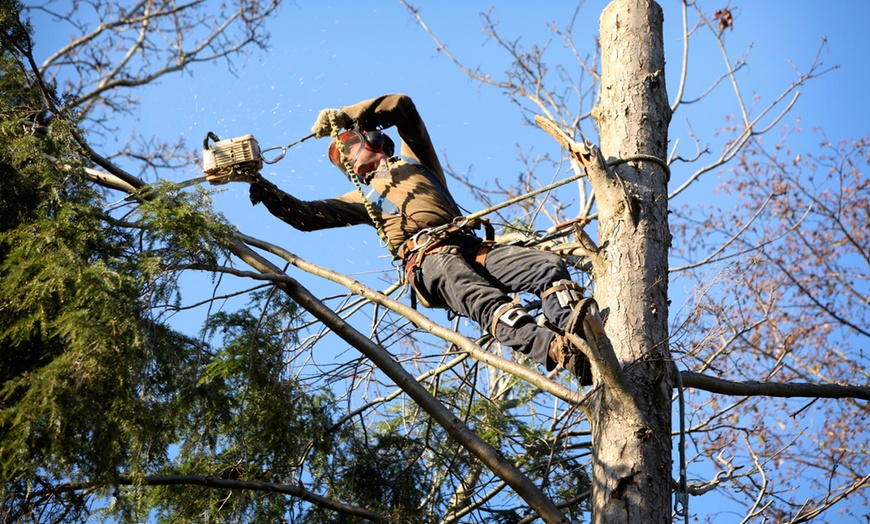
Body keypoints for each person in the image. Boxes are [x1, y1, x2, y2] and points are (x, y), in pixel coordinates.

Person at [246, 94, 594, 384]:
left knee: (546, 267)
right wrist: (260, 185)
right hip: (428, 259)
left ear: (372, 139)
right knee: (483, 299)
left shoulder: (417, 161)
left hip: (472, 245)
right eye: (346, 160)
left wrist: (346, 115)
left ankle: (579, 332)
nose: (351, 162)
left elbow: (403, 107)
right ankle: (556, 349)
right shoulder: (361, 200)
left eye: (350, 149)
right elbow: (306, 216)